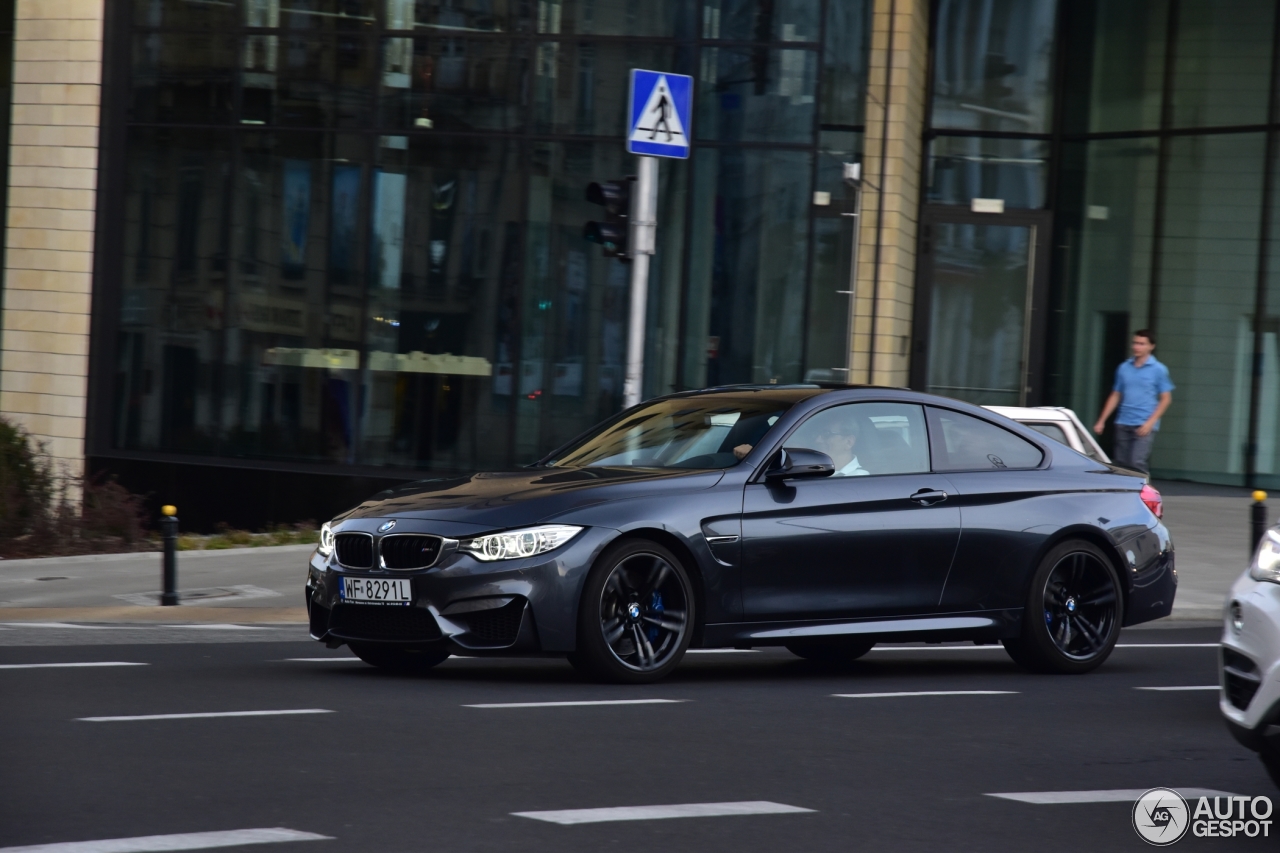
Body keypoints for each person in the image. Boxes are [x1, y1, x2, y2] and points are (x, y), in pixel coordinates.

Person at [1092, 329, 1174, 474]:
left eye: (1142, 344)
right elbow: (1116, 395)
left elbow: (1166, 399)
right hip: (1123, 422)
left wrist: (1150, 423)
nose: (1137, 347)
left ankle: (1145, 494)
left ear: (1151, 346)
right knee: (1122, 464)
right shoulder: (1124, 367)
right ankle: (1123, 494)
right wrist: (1102, 420)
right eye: (1135, 343)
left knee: (1136, 462)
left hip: (1143, 424)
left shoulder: (1158, 369)